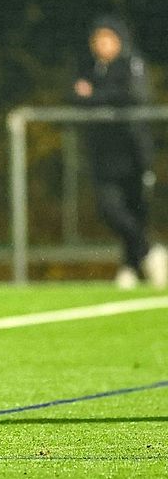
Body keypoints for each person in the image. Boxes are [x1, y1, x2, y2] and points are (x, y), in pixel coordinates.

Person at [73, 15, 167, 289]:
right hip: (103, 154)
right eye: (97, 39)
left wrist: (94, 95)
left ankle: (130, 266)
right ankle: (150, 252)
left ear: (119, 40)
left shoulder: (130, 64)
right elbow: (73, 95)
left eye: (107, 38)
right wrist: (92, 95)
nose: (101, 44)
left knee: (135, 212)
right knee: (110, 209)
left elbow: (135, 96)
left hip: (133, 153)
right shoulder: (91, 67)